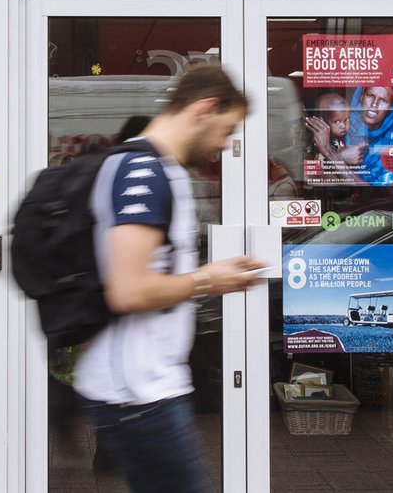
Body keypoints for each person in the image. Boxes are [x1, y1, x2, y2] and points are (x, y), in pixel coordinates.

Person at [76, 64, 265, 493]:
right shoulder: (143, 173)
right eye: (228, 127)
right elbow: (128, 290)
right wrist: (208, 280)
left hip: (149, 387)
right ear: (205, 108)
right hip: (139, 393)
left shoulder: (164, 170)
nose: (227, 142)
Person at [346, 85, 393, 187]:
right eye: (370, 95)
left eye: (383, 100)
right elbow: (317, 174)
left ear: (391, 107)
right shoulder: (342, 125)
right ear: (361, 96)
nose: (374, 104)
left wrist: (336, 159)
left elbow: (377, 186)